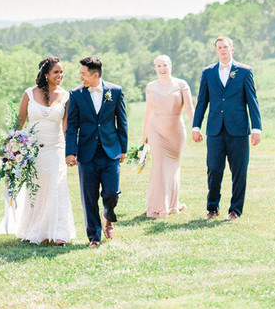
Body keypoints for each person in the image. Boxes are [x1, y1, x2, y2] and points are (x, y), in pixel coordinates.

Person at [0, 56, 76, 245]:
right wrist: (10, 150)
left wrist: (71, 151)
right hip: (32, 150)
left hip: (55, 148)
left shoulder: (66, 96)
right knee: (36, 188)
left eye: (62, 72)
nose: (60, 75)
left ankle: (59, 233)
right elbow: (19, 122)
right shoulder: (29, 93)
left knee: (56, 186)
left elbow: (67, 128)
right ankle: (35, 230)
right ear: (45, 74)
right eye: (56, 72)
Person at [192, 36, 262, 221]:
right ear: (216, 51)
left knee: (239, 170)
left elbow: (252, 101)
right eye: (219, 47)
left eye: (226, 47)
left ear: (232, 49)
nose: (223, 50)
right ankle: (212, 208)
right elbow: (202, 101)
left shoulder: (245, 71)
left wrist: (257, 128)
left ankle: (235, 210)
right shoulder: (208, 72)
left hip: (238, 130)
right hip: (214, 130)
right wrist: (196, 125)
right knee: (214, 169)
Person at [65, 56, 128, 247]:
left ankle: (108, 215)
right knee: (89, 196)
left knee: (111, 193)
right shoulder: (75, 94)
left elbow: (122, 121)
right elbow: (72, 125)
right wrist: (70, 152)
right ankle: (94, 236)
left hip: (111, 150)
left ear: (95, 74)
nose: (80, 76)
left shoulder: (115, 91)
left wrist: (123, 149)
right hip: (86, 153)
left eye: (83, 73)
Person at [141, 54, 194, 218]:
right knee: (158, 166)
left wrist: (195, 128)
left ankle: (172, 204)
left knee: (172, 167)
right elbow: (149, 110)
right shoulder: (151, 86)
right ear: (155, 68)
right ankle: (158, 206)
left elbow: (190, 109)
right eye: (159, 66)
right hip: (156, 129)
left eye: (165, 65)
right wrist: (145, 133)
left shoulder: (181, 84)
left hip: (176, 131)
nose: (162, 69)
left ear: (171, 66)